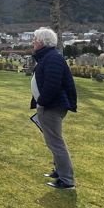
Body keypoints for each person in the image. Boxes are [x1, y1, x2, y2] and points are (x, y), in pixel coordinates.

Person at [30, 27, 77, 189]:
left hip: (51, 106)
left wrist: (42, 101)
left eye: (35, 40)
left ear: (42, 42)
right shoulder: (48, 57)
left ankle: (67, 180)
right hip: (48, 105)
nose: (33, 43)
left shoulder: (52, 58)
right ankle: (59, 170)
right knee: (52, 141)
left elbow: (53, 84)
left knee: (55, 142)